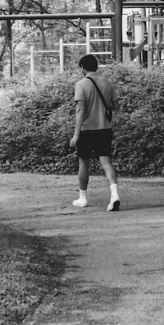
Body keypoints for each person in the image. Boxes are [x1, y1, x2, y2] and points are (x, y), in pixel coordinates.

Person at [69, 53, 121, 212]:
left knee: (84, 162)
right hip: (104, 128)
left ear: (82, 68)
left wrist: (76, 134)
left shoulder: (81, 84)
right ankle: (114, 194)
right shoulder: (107, 82)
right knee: (106, 162)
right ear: (96, 67)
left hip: (87, 129)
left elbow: (80, 111)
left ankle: (83, 198)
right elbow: (116, 105)